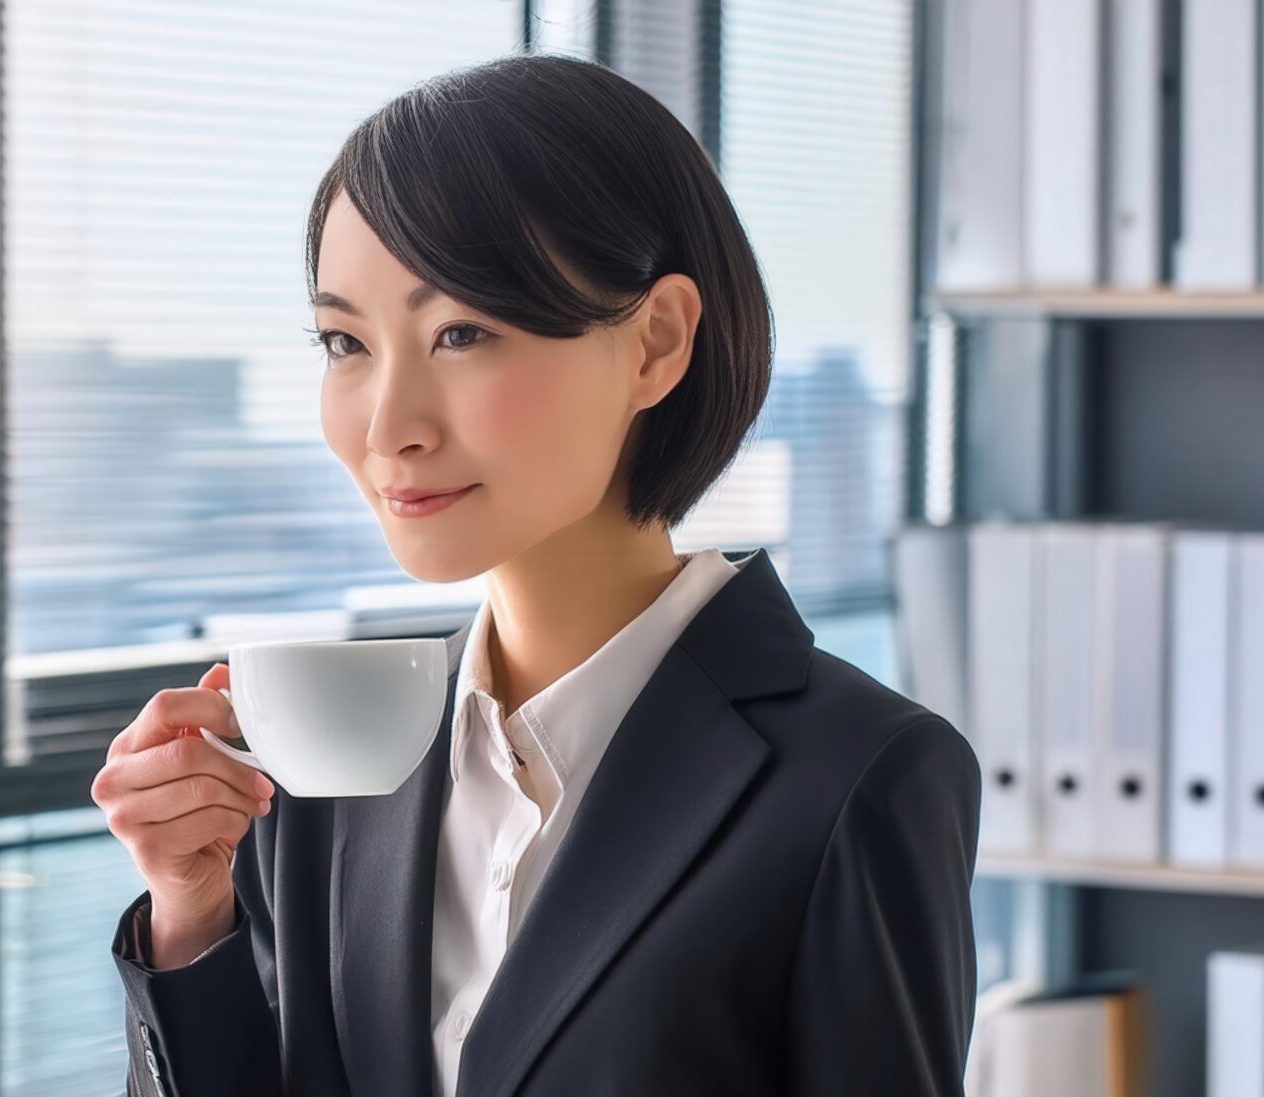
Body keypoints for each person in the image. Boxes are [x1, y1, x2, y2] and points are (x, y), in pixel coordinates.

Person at [91, 51, 981, 1097]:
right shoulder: (329, 768)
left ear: (655, 341)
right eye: (346, 341)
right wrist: (192, 918)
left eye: (462, 332)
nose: (389, 427)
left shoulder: (856, 775)